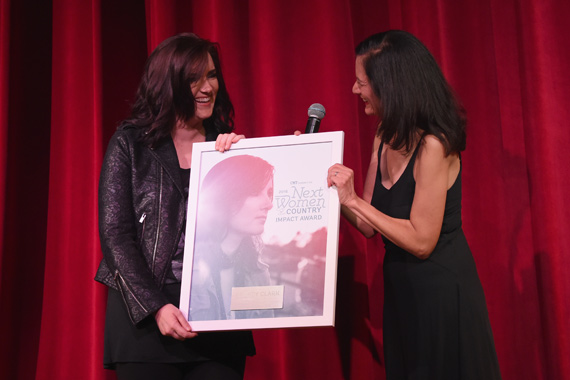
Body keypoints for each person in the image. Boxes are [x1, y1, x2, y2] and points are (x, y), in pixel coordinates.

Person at [328, 30, 502, 379]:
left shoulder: (434, 145)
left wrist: (352, 201)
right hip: (402, 295)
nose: (354, 90)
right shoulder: (383, 135)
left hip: (441, 296)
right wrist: (326, 184)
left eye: (362, 82)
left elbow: (422, 241)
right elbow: (366, 224)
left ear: (390, 84)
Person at [95, 33, 253, 380]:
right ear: (168, 84)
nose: (207, 87)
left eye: (212, 75)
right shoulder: (130, 143)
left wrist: (244, 164)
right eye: (194, 78)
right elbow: (115, 235)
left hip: (217, 316)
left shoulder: (224, 146)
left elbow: (253, 229)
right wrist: (156, 307)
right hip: (146, 321)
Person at [189, 154, 275, 321]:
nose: (269, 204)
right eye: (256, 192)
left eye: (269, 193)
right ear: (226, 195)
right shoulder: (189, 267)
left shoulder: (259, 272)